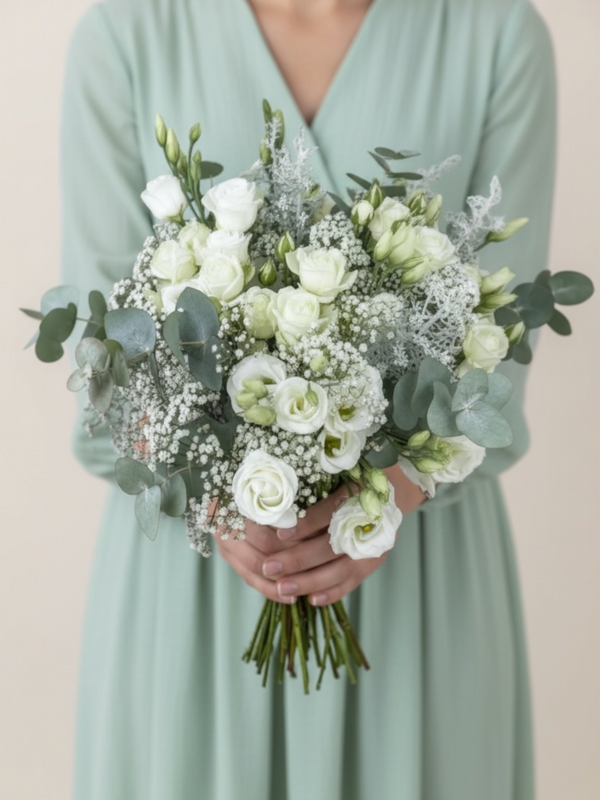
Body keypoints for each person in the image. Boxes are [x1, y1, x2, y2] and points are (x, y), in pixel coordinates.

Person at [61, 0, 556, 797]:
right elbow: (104, 363)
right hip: (191, 594)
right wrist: (225, 507)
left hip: (419, 584)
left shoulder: (499, 35)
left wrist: (386, 498)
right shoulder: (126, 35)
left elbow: (500, 352)